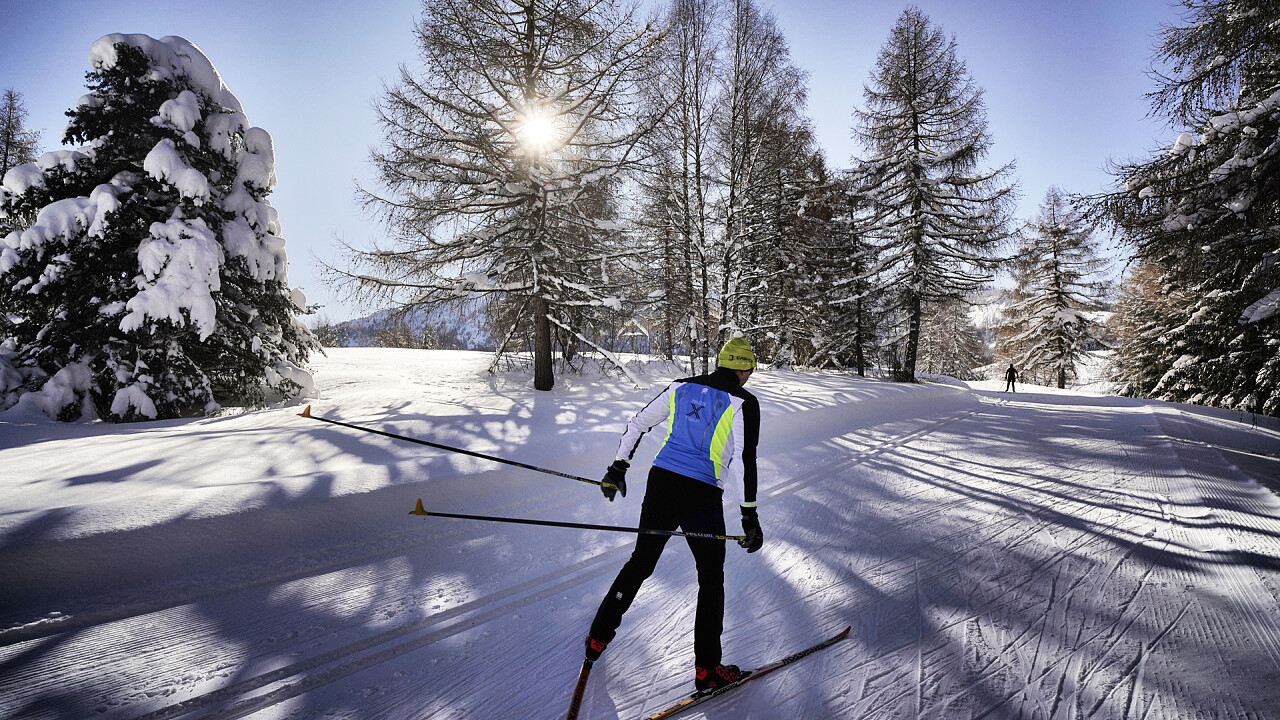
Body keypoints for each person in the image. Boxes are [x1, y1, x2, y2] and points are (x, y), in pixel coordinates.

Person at [583, 335, 764, 692]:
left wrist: (617, 468)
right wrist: (749, 516)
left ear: (720, 362)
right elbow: (744, 459)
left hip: (662, 484)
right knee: (710, 578)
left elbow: (637, 423)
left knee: (641, 562)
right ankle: (707, 670)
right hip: (701, 494)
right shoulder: (744, 401)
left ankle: (598, 637)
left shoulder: (680, 387)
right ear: (745, 370)